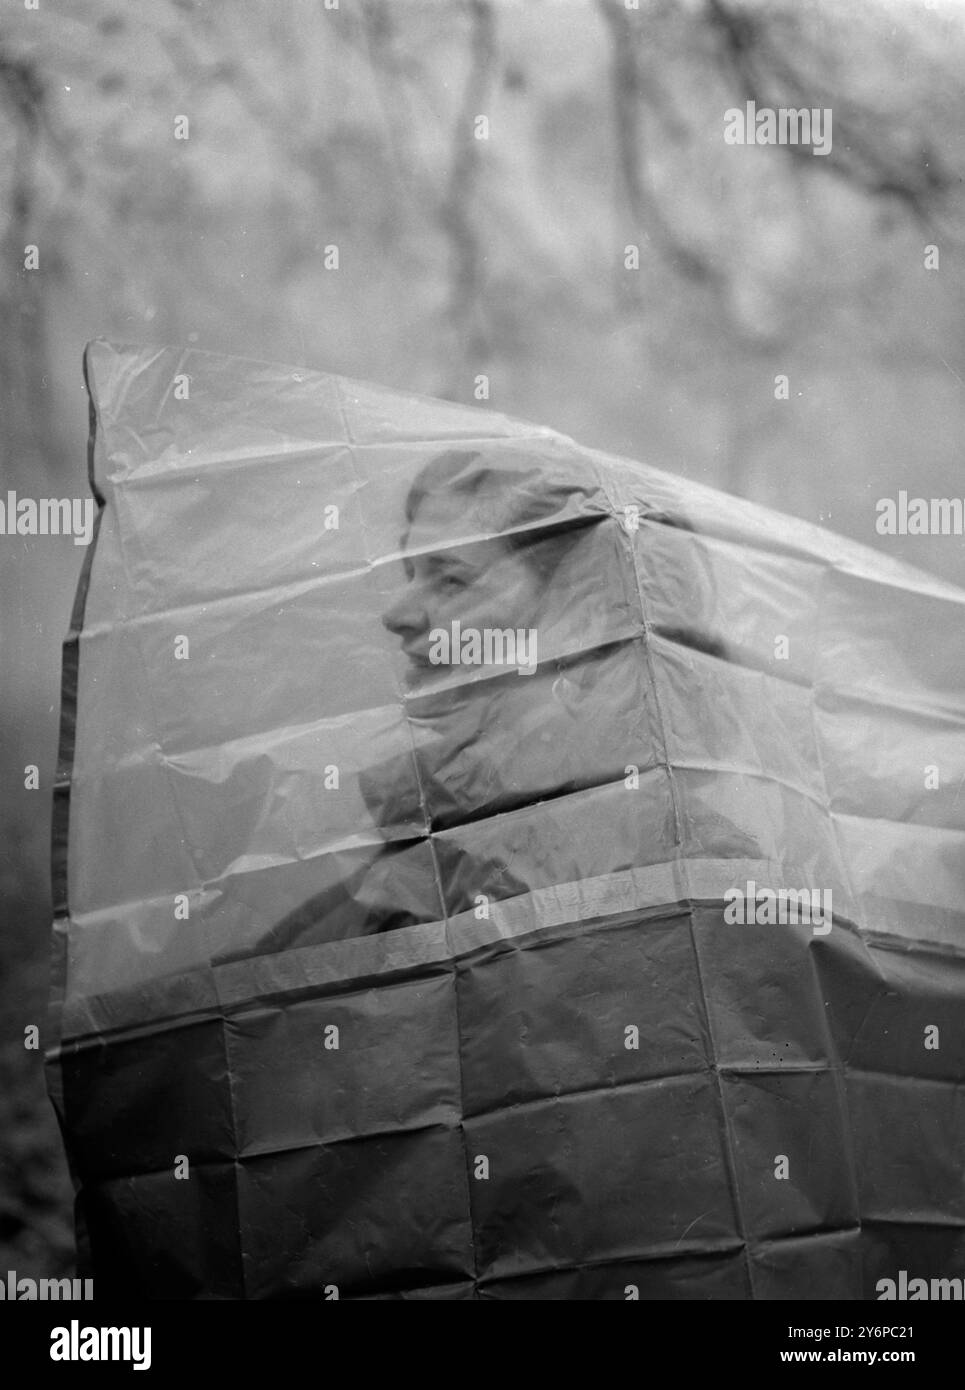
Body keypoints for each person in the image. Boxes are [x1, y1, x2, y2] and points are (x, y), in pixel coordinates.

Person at [241, 447, 731, 954]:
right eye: (411, 573)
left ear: (582, 616)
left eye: (451, 578)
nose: (397, 612)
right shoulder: (445, 838)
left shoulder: (694, 878)